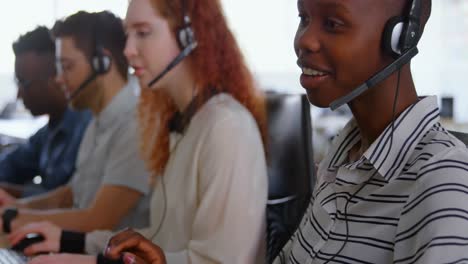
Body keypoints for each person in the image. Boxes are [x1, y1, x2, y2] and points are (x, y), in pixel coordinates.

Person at [11, 0, 268, 263]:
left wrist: (90, 261)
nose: (128, 50)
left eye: (143, 33)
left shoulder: (224, 126)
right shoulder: (182, 125)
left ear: (190, 35)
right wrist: (71, 241)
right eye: (127, 35)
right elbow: (160, 237)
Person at [272, 0, 468, 263]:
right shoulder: (345, 149)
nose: (304, 40)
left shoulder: (442, 179)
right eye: (304, 18)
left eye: (332, 24)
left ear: (400, 37)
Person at [1, 11, 150, 234]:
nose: (59, 78)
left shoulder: (135, 125)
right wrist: (15, 208)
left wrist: (13, 220)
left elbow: (97, 220)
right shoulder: (98, 122)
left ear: (103, 63)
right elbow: (70, 194)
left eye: (67, 67)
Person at [0, 26, 91, 199]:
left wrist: (8, 193)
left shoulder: (88, 130)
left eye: (23, 83)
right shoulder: (48, 132)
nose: (19, 94)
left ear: (56, 79)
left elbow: (72, 200)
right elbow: (11, 166)